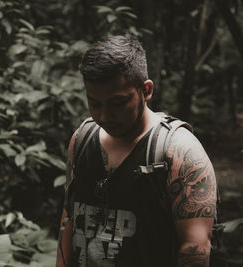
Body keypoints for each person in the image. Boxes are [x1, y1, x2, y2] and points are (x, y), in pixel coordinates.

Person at [56, 35, 217, 267]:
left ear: (146, 90)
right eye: (95, 103)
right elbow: (68, 222)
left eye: (118, 103)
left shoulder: (180, 151)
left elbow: (195, 249)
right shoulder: (81, 140)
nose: (104, 116)